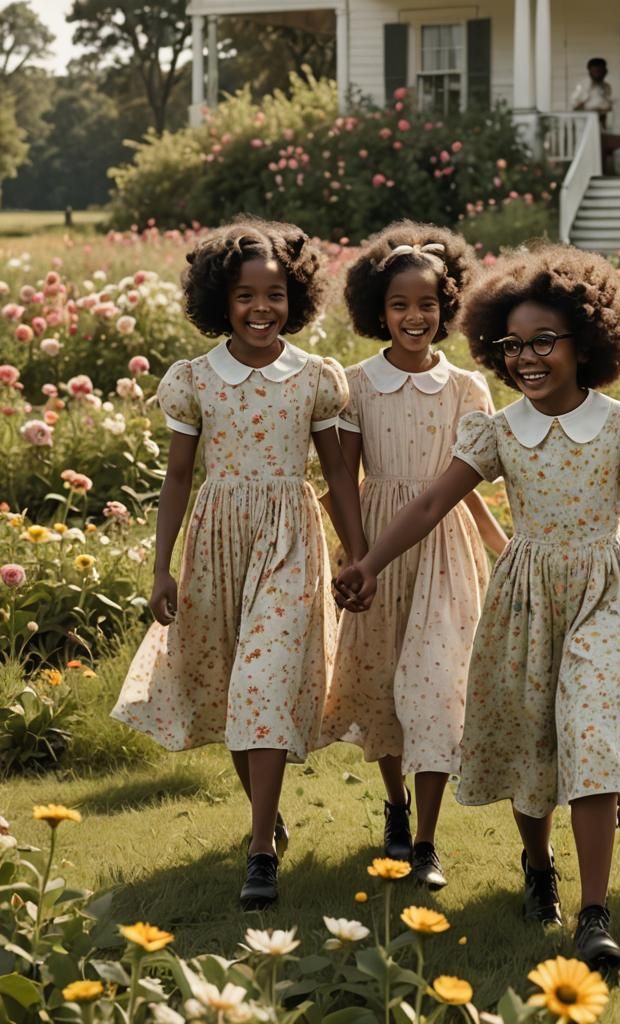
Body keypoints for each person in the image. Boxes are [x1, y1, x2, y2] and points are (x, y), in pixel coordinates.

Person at [336, 245, 620, 971]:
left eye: (544, 341)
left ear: (586, 342)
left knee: (591, 730)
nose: (527, 358)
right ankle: (540, 868)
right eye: (513, 345)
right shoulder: (499, 431)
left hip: (604, 593)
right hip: (526, 599)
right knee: (533, 738)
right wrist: (368, 563)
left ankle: (594, 915)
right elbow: (433, 503)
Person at [111, 218, 363, 910]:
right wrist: (161, 568)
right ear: (219, 300)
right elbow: (177, 477)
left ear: (295, 297)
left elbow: (338, 474)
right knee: (233, 688)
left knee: (264, 679)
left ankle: (259, 854)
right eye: (245, 295)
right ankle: (266, 818)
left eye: (275, 294)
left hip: (289, 539)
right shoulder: (194, 380)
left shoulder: (313, 377)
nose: (261, 308)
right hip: (217, 540)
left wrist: (358, 552)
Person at [320, 222, 508, 890]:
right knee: (381, 688)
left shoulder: (467, 388)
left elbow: (460, 487)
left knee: (435, 688)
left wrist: (503, 548)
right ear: (379, 310)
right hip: (375, 547)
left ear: (445, 307)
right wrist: (356, 557)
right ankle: (395, 805)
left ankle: (426, 841)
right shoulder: (354, 384)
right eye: (399, 305)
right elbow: (342, 480)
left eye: (427, 304)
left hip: (445, 553)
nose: (414, 317)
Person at [570, 57, 620, 173]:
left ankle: (600, 171)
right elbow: (574, 106)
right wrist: (588, 103)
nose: (598, 74)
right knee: (585, 149)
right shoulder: (583, 85)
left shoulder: (606, 87)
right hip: (585, 124)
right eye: (596, 71)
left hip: (601, 122)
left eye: (601, 71)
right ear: (590, 71)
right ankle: (583, 171)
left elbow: (609, 104)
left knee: (600, 148)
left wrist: (605, 112)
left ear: (605, 71)